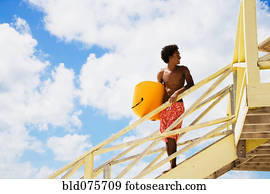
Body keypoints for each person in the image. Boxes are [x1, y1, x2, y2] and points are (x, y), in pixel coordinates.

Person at [157, 44, 194, 171]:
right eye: (177, 54)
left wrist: (177, 92)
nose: (180, 56)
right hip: (164, 108)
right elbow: (158, 91)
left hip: (177, 105)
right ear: (170, 56)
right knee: (167, 137)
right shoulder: (161, 73)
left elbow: (191, 85)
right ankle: (171, 165)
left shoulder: (183, 69)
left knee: (172, 134)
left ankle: (173, 165)